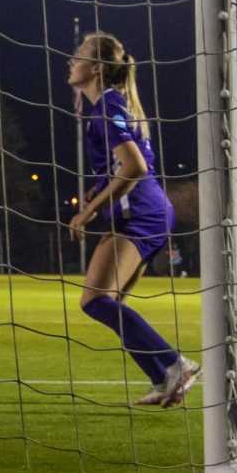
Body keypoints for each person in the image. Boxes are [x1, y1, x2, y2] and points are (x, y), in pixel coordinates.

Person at [68, 31, 195, 407]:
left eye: (79, 55)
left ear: (96, 68)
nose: (72, 61)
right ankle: (165, 380)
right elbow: (123, 165)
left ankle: (175, 364)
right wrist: (97, 190)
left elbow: (135, 166)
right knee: (112, 303)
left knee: (95, 300)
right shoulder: (112, 104)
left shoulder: (105, 107)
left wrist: (87, 210)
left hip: (142, 213)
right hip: (149, 212)